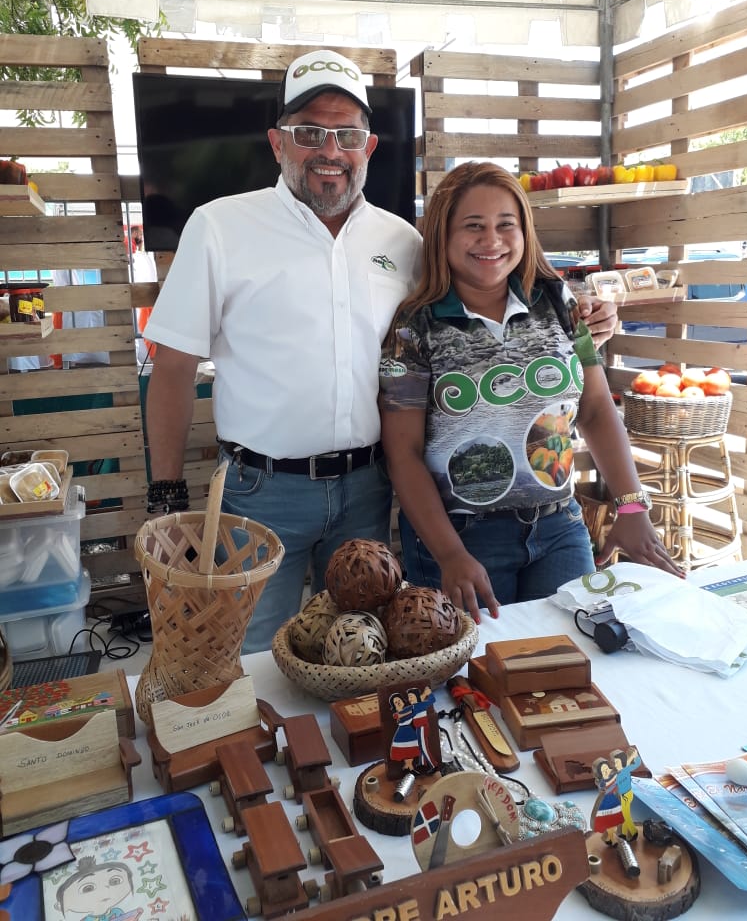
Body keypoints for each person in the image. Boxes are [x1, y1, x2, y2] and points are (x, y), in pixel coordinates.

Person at [143, 50, 620, 653]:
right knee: (251, 656)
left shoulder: (403, 239)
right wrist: (165, 494)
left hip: (370, 488)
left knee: (360, 656)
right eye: (309, 132)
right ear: (277, 143)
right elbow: (175, 366)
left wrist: (586, 324)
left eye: (347, 134)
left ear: (369, 147)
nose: (329, 150)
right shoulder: (219, 228)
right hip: (261, 493)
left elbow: (487, 307)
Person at [379, 161, 681, 623]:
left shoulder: (557, 302)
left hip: (560, 529)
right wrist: (449, 553)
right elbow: (404, 453)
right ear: (442, 234)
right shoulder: (414, 326)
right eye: (473, 226)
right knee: (472, 679)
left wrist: (632, 506)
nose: (492, 241)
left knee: (572, 665)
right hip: (462, 536)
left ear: (525, 232)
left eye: (506, 225)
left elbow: (596, 410)